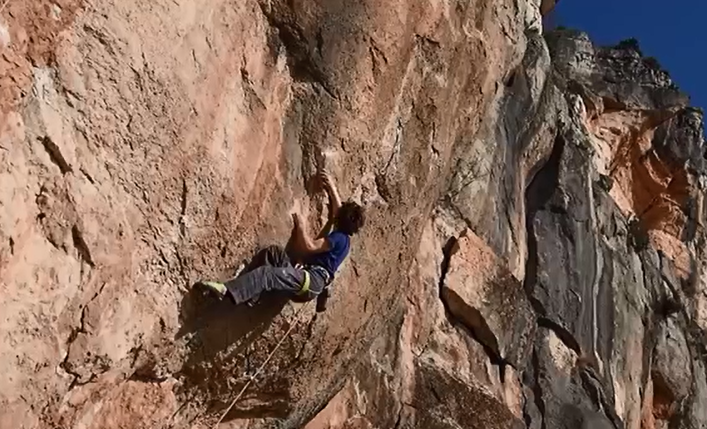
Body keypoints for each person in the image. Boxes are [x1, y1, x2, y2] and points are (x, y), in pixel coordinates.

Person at [195, 171, 365, 310]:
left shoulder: (338, 238)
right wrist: (332, 187)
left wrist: (301, 226)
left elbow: (310, 246)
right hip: (309, 280)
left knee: (267, 274)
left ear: (342, 219)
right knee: (273, 254)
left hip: (310, 281)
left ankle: (227, 291)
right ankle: (252, 296)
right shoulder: (344, 238)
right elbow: (338, 211)